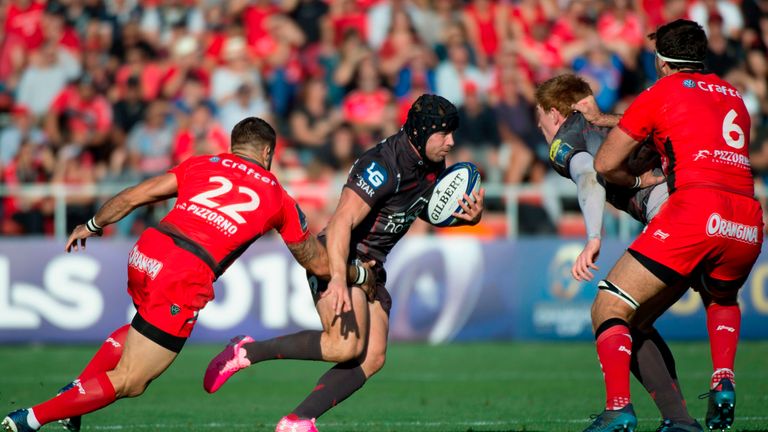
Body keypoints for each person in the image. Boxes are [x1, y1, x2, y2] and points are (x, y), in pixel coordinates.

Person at [1, 117, 375, 432]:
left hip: (148, 251)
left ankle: (78, 395)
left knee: (140, 329)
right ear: (267, 153)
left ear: (233, 147)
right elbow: (317, 263)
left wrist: (93, 224)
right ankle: (30, 419)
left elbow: (135, 195)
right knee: (132, 380)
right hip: (185, 271)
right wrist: (356, 273)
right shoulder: (276, 195)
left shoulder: (201, 163)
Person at [203, 94, 485, 432]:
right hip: (341, 255)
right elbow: (340, 222)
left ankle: (297, 421)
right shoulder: (382, 165)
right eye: (444, 134)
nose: (451, 142)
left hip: (371, 266)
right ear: (423, 132)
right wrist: (338, 278)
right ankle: (249, 351)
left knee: (372, 357)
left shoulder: (431, 165)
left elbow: (416, 208)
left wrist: (466, 218)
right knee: (344, 346)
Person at [582, 19, 762, 432]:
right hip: (746, 220)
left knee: (610, 305)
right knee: (720, 298)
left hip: (695, 211)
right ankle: (723, 381)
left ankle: (618, 410)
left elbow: (606, 163)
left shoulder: (660, 90)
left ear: (662, 62)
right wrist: (609, 118)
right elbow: (688, 118)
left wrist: (636, 182)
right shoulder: (733, 96)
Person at [536, 73, 702, 432]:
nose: (540, 128)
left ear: (553, 113)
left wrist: (593, 237)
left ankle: (619, 410)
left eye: (539, 119)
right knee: (634, 322)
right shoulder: (618, 125)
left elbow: (588, 176)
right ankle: (680, 421)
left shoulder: (564, 140)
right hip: (703, 210)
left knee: (609, 308)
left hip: (672, 215)